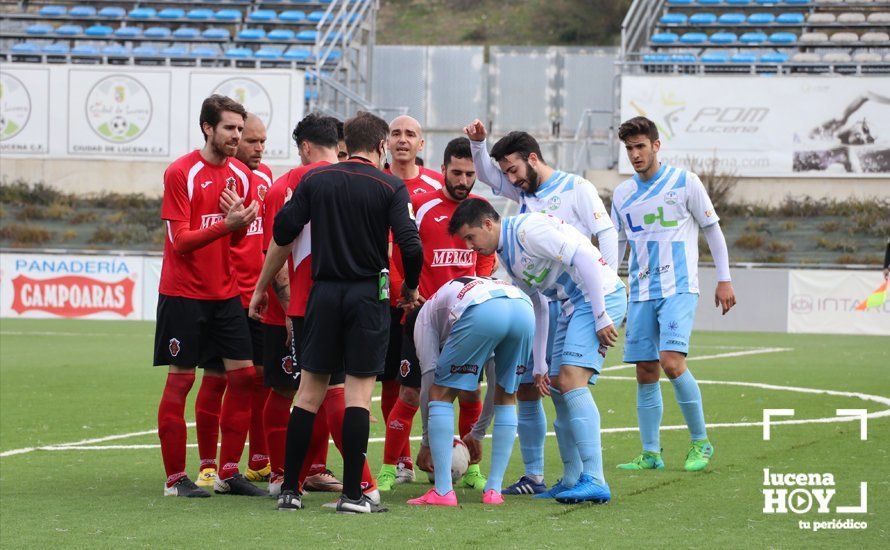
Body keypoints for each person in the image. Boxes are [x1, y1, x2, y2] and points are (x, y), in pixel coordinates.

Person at [251, 111, 423, 513]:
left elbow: (283, 229)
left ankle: (290, 491)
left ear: (348, 143)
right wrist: (411, 287)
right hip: (366, 296)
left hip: (322, 294)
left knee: (308, 394)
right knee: (358, 397)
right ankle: (352, 496)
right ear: (381, 146)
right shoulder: (392, 186)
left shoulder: (315, 179)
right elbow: (411, 246)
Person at [463, 119, 619, 495]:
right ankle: (556, 477)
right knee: (544, 385)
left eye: (514, 170)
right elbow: (486, 175)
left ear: (533, 159)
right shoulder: (522, 202)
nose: (511, 180)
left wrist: (604, 303)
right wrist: (478, 145)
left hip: (588, 294)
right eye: (507, 174)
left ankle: (593, 479)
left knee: (570, 383)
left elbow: (605, 235)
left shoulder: (574, 188)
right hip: (557, 304)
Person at [449, 200, 627, 504]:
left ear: (488, 225)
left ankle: (595, 478)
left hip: (599, 297)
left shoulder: (526, 231)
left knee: (571, 381)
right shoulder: (507, 255)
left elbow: (584, 256)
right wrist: (540, 361)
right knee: (558, 387)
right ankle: (572, 478)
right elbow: (539, 305)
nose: (470, 246)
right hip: (570, 306)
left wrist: (600, 314)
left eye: (471, 237)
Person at [153, 94, 264, 498]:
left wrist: (239, 224)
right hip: (183, 295)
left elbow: (234, 237)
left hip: (225, 294)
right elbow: (180, 241)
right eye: (230, 128)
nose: (237, 136)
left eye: (240, 128)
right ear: (208, 128)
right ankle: (174, 479)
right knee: (181, 382)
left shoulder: (241, 175)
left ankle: (228, 472)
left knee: (244, 377)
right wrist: (228, 223)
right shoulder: (180, 173)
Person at [611, 115, 736, 473]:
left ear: (656, 146)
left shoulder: (685, 182)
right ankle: (651, 453)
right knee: (645, 370)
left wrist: (724, 279)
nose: (635, 154)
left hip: (679, 286)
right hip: (640, 290)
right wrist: (608, 284)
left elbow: (712, 230)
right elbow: (619, 244)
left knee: (670, 362)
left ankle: (701, 442)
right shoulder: (622, 194)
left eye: (640, 146)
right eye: (630, 148)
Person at [376, 137, 496, 492]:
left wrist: (480, 290)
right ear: (442, 170)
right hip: (422, 318)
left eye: (469, 174)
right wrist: (407, 294)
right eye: (456, 172)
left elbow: (486, 258)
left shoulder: (482, 208)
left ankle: (471, 468)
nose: (462, 180)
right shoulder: (422, 207)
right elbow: (396, 257)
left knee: (470, 392)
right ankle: (389, 469)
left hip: (468, 321)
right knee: (411, 395)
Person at [256, 113, 348, 496]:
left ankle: (313, 469)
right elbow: (278, 253)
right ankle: (281, 472)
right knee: (286, 389)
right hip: (291, 310)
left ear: (304, 147)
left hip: (316, 305)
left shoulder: (290, 186)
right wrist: (289, 306)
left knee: (323, 388)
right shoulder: (286, 189)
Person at [193, 113, 273, 488]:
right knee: (215, 378)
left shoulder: (266, 179)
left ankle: (254, 461)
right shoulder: (212, 178)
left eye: (260, 140)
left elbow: (269, 240)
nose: (258, 147)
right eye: (250, 140)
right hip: (224, 296)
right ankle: (209, 465)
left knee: (257, 380)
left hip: (258, 296)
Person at [407, 276, 534, 507]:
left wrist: (426, 443)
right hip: (523, 307)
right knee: (508, 395)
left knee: (441, 393)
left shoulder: (424, 319)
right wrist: (477, 433)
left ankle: (443, 492)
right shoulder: (449, 302)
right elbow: (497, 386)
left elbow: (428, 386)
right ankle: (494, 490)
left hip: (482, 309)